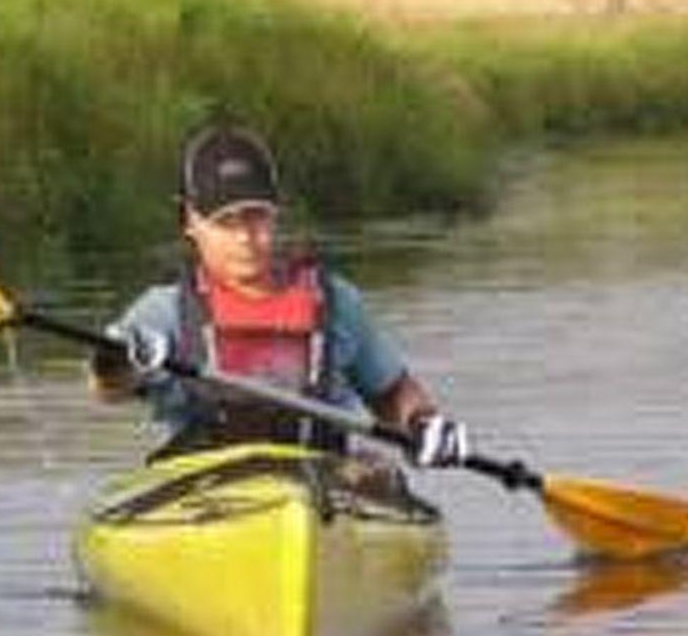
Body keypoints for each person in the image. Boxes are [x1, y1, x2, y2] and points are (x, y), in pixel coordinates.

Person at [90, 123, 470, 470]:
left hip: (322, 484)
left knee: (373, 468)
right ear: (190, 221)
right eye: (226, 222)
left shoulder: (337, 302)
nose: (245, 237)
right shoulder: (163, 311)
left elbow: (392, 392)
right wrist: (117, 358)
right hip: (202, 491)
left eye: (256, 216)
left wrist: (422, 423)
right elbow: (107, 389)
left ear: (277, 214)